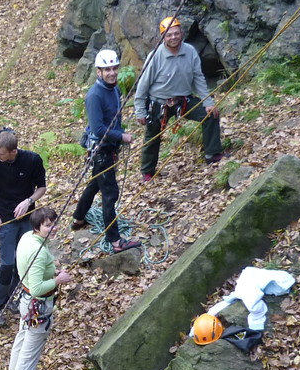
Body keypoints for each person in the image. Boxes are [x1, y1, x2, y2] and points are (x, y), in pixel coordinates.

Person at [134, 16, 223, 181]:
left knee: (210, 115)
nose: (173, 37)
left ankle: (212, 153)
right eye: (169, 35)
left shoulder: (189, 52)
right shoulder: (155, 56)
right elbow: (142, 86)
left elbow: (198, 78)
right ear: (163, 37)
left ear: (181, 33)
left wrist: (208, 102)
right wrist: (140, 110)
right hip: (159, 103)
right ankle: (147, 171)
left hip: (183, 100)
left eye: (176, 33)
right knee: (152, 136)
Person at [0, 130, 48, 326]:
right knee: (7, 263)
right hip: (5, 220)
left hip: (27, 218)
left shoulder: (32, 160)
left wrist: (29, 201)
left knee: (23, 262)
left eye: (1, 153)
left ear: (13, 151)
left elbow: (42, 187)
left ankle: (13, 299)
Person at [6, 207, 72, 370]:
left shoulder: (28, 237)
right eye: (48, 225)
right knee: (29, 356)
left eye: (54, 223)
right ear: (37, 227)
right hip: (37, 306)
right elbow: (37, 288)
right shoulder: (39, 251)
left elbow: (34, 270)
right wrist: (57, 280)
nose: (53, 228)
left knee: (22, 340)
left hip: (27, 303)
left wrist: (51, 269)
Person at [72, 49, 140, 252]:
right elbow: (98, 128)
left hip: (109, 148)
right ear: (98, 71)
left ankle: (78, 218)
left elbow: (114, 118)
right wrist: (122, 136)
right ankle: (115, 240)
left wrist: (119, 136)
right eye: (107, 69)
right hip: (101, 151)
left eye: (114, 68)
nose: (111, 73)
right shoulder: (94, 95)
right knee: (110, 193)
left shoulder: (114, 89)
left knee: (95, 184)